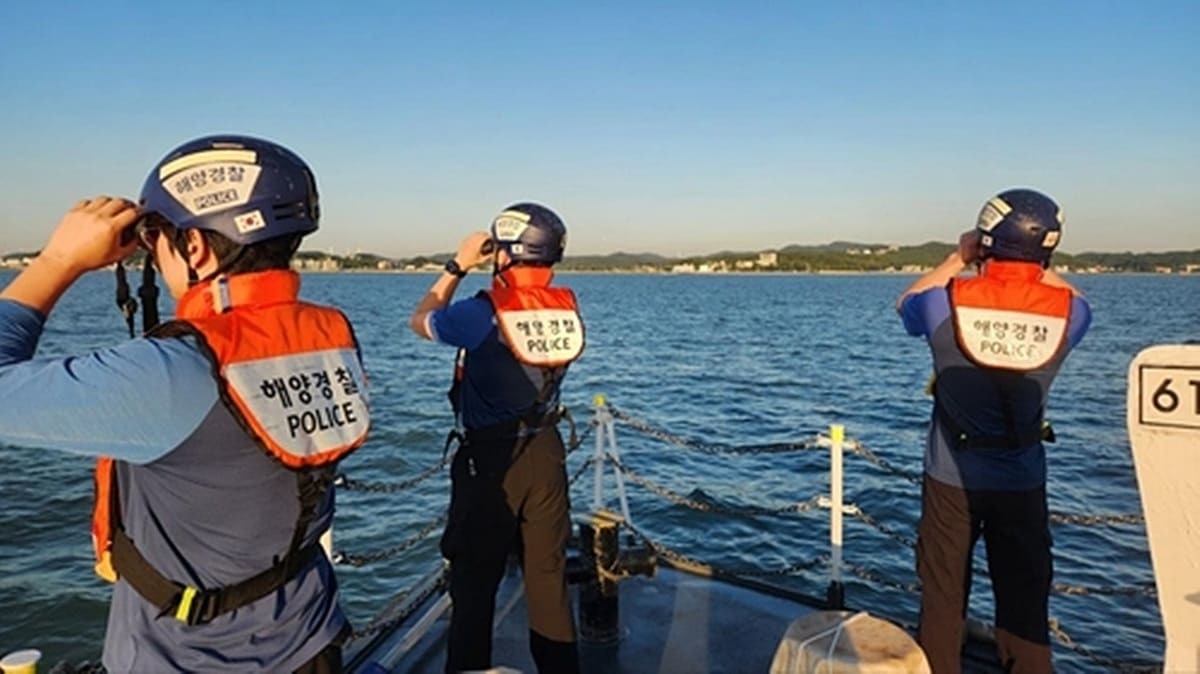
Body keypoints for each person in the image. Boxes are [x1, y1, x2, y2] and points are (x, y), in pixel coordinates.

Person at [0, 135, 371, 673]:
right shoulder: (329, 335)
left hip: (188, 659)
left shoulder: (174, 371)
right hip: (310, 637)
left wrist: (59, 260)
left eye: (154, 237)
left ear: (194, 246)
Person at [895, 188, 1092, 674]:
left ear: (986, 238)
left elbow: (906, 302)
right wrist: (1038, 261)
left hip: (950, 479)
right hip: (1023, 481)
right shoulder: (1069, 314)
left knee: (943, 599)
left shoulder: (944, 303)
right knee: (1025, 610)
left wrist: (959, 257)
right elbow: (1079, 298)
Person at [409, 203, 584, 674]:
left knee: (474, 586)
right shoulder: (564, 307)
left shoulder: (482, 312)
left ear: (505, 254)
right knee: (548, 579)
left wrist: (459, 265)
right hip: (547, 451)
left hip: (492, 460)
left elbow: (421, 319)